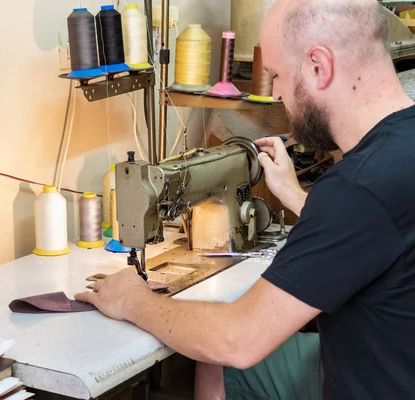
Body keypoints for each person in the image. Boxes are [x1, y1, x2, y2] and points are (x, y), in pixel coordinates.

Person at [75, 0, 415, 398]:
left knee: (217, 354)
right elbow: (379, 230)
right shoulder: (393, 159)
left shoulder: (355, 189)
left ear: (319, 67)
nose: (281, 96)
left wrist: (133, 300)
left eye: (278, 77)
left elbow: (238, 339)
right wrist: (295, 196)